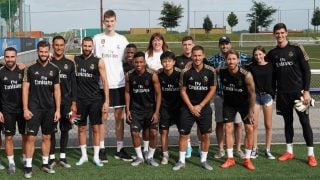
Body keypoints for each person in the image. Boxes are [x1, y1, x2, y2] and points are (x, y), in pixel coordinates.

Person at [267, 23, 317, 167]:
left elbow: (307, 70)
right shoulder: (272, 54)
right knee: (287, 122)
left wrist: (307, 91)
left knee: (305, 122)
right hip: (282, 94)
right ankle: (289, 151)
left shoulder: (296, 49)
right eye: (277, 33)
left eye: (282, 32)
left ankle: (311, 155)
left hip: (299, 94)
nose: (280, 35)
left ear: (286, 33)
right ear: (274, 35)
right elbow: (267, 71)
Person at [93, 9, 132, 162]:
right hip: (101, 85)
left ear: (115, 21)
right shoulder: (97, 39)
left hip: (119, 83)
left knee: (118, 117)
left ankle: (119, 149)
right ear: (103, 22)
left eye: (112, 21)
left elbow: (129, 60)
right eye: (107, 21)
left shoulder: (122, 40)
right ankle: (102, 149)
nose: (109, 24)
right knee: (103, 116)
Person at [173, 45, 216, 171]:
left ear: (203, 56)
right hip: (188, 108)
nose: (197, 58)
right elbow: (182, 91)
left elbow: (212, 89)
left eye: (199, 55)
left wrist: (200, 106)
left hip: (204, 108)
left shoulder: (210, 71)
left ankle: (203, 160)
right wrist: (191, 107)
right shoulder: (185, 71)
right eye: (194, 55)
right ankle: (181, 161)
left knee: (205, 135)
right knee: (183, 135)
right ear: (191, 56)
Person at [206, 36, 251, 159]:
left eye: (226, 44)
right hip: (220, 95)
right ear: (219, 45)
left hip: (236, 96)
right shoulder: (213, 59)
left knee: (237, 124)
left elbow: (256, 59)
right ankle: (221, 149)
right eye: (222, 44)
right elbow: (203, 63)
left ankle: (238, 148)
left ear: (230, 44)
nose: (224, 46)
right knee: (220, 123)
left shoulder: (241, 56)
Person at [22, 40, 61, 178]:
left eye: (46, 52)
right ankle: (28, 166)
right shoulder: (30, 68)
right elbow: (25, 89)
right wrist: (25, 108)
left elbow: (57, 91)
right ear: (37, 52)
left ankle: (45, 164)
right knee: (31, 138)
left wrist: (58, 110)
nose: (43, 54)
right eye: (41, 52)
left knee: (47, 137)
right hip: (34, 109)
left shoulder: (54, 69)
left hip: (49, 109)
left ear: (48, 52)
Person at [74, 37, 109, 167]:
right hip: (80, 101)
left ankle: (95, 156)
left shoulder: (98, 61)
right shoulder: (75, 60)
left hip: (95, 100)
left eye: (89, 46)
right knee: (81, 128)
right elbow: (61, 57)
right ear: (82, 46)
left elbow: (105, 82)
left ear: (92, 47)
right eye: (85, 46)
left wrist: (106, 101)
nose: (87, 48)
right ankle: (83, 156)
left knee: (95, 128)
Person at [219, 49, 256, 171]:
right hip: (229, 104)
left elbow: (252, 94)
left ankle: (247, 159)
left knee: (249, 129)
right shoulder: (221, 71)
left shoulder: (246, 74)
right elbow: (207, 70)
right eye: (229, 59)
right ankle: (230, 159)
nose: (231, 61)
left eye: (234, 59)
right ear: (225, 60)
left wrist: (251, 110)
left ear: (238, 60)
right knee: (228, 128)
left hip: (244, 105)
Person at [125, 51, 161, 167]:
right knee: (135, 133)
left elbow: (159, 94)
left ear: (145, 62)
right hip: (135, 110)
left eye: (141, 62)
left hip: (150, 110)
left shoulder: (152, 75)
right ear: (133, 63)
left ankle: (150, 157)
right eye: (136, 62)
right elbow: (127, 92)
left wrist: (156, 112)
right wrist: (127, 110)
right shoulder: (129, 75)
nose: (138, 64)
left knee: (153, 133)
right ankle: (139, 157)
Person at [49, 36, 77, 169]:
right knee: (51, 131)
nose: (59, 47)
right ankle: (51, 158)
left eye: (61, 45)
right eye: (56, 45)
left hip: (67, 103)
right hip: (51, 103)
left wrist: (74, 103)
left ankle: (63, 157)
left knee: (65, 130)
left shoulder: (70, 63)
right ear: (52, 46)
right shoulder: (48, 62)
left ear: (64, 46)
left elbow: (74, 85)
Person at [0, 47, 26, 175]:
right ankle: (11, 163)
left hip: (22, 110)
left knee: (25, 136)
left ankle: (25, 158)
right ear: (4, 57)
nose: (10, 59)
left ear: (16, 57)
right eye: (7, 57)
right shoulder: (0, 72)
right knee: (8, 137)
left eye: (12, 57)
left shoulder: (23, 70)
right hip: (7, 111)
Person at [247, 46, 275, 159]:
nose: (258, 57)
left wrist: (272, 94)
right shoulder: (251, 67)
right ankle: (255, 149)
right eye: (256, 55)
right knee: (254, 125)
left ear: (264, 54)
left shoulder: (271, 66)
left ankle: (268, 150)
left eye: (260, 54)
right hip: (256, 98)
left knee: (268, 125)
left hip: (267, 97)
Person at [175, 36, 199, 158]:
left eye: (189, 44)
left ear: (193, 45)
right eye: (185, 44)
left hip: (198, 96)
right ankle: (188, 146)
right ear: (182, 45)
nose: (187, 47)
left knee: (201, 124)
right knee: (185, 124)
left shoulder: (199, 58)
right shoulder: (178, 59)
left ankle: (200, 146)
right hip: (183, 97)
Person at [157, 51, 182, 165]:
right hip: (165, 108)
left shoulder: (181, 74)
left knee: (182, 132)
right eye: (164, 61)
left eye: (169, 61)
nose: (167, 63)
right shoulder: (158, 75)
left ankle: (183, 155)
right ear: (161, 63)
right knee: (164, 132)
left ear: (174, 62)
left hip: (179, 108)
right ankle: (165, 155)